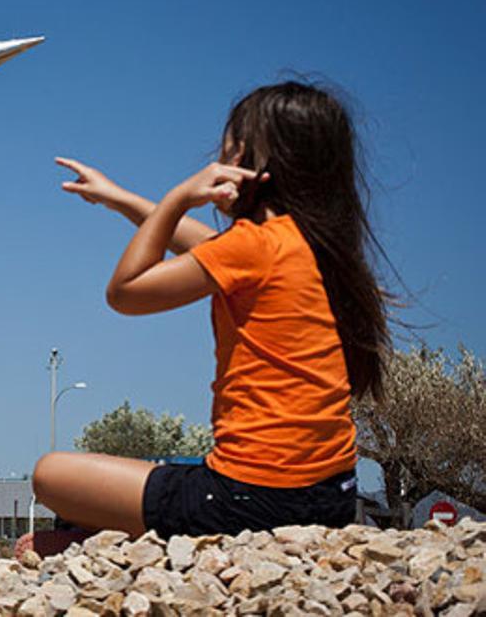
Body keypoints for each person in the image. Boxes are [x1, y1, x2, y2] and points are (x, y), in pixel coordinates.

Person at [28, 81, 389, 548]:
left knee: (50, 474)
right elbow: (205, 245)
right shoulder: (317, 248)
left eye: (230, 147)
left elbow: (125, 292)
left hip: (250, 499)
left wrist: (179, 196)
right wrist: (119, 198)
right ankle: (109, 537)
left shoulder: (253, 246)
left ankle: (107, 541)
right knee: (147, 482)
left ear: (250, 164)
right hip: (332, 497)